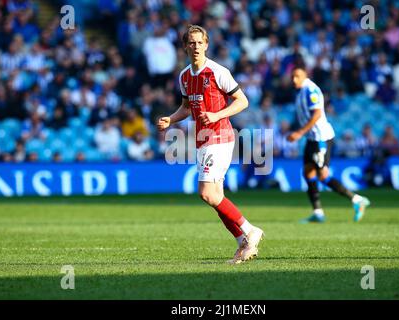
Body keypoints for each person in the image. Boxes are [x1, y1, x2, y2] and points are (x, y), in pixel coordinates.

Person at [157, 25, 264, 264]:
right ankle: (241, 243)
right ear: (185, 46)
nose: (195, 47)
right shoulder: (185, 76)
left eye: (199, 42)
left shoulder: (217, 71)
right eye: (191, 43)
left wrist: (217, 115)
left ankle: (250, 230)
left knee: (206, 193)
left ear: (206, 44)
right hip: (202, 140)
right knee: (217, 198)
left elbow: (242, 101)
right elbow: (186, 107)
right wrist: (171, 119)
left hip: (220, 137)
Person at [287, 60, 370, 223]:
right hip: (311, 138)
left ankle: (357, 200)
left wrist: (299, 132)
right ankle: (318, 213)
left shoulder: (311, 90)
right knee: (308, 172)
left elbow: (317, 114)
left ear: (305, 75)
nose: (294, 80)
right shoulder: (301, 91)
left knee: (323, 175)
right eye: (292, 76)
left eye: (297, 76)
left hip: (321, 139)